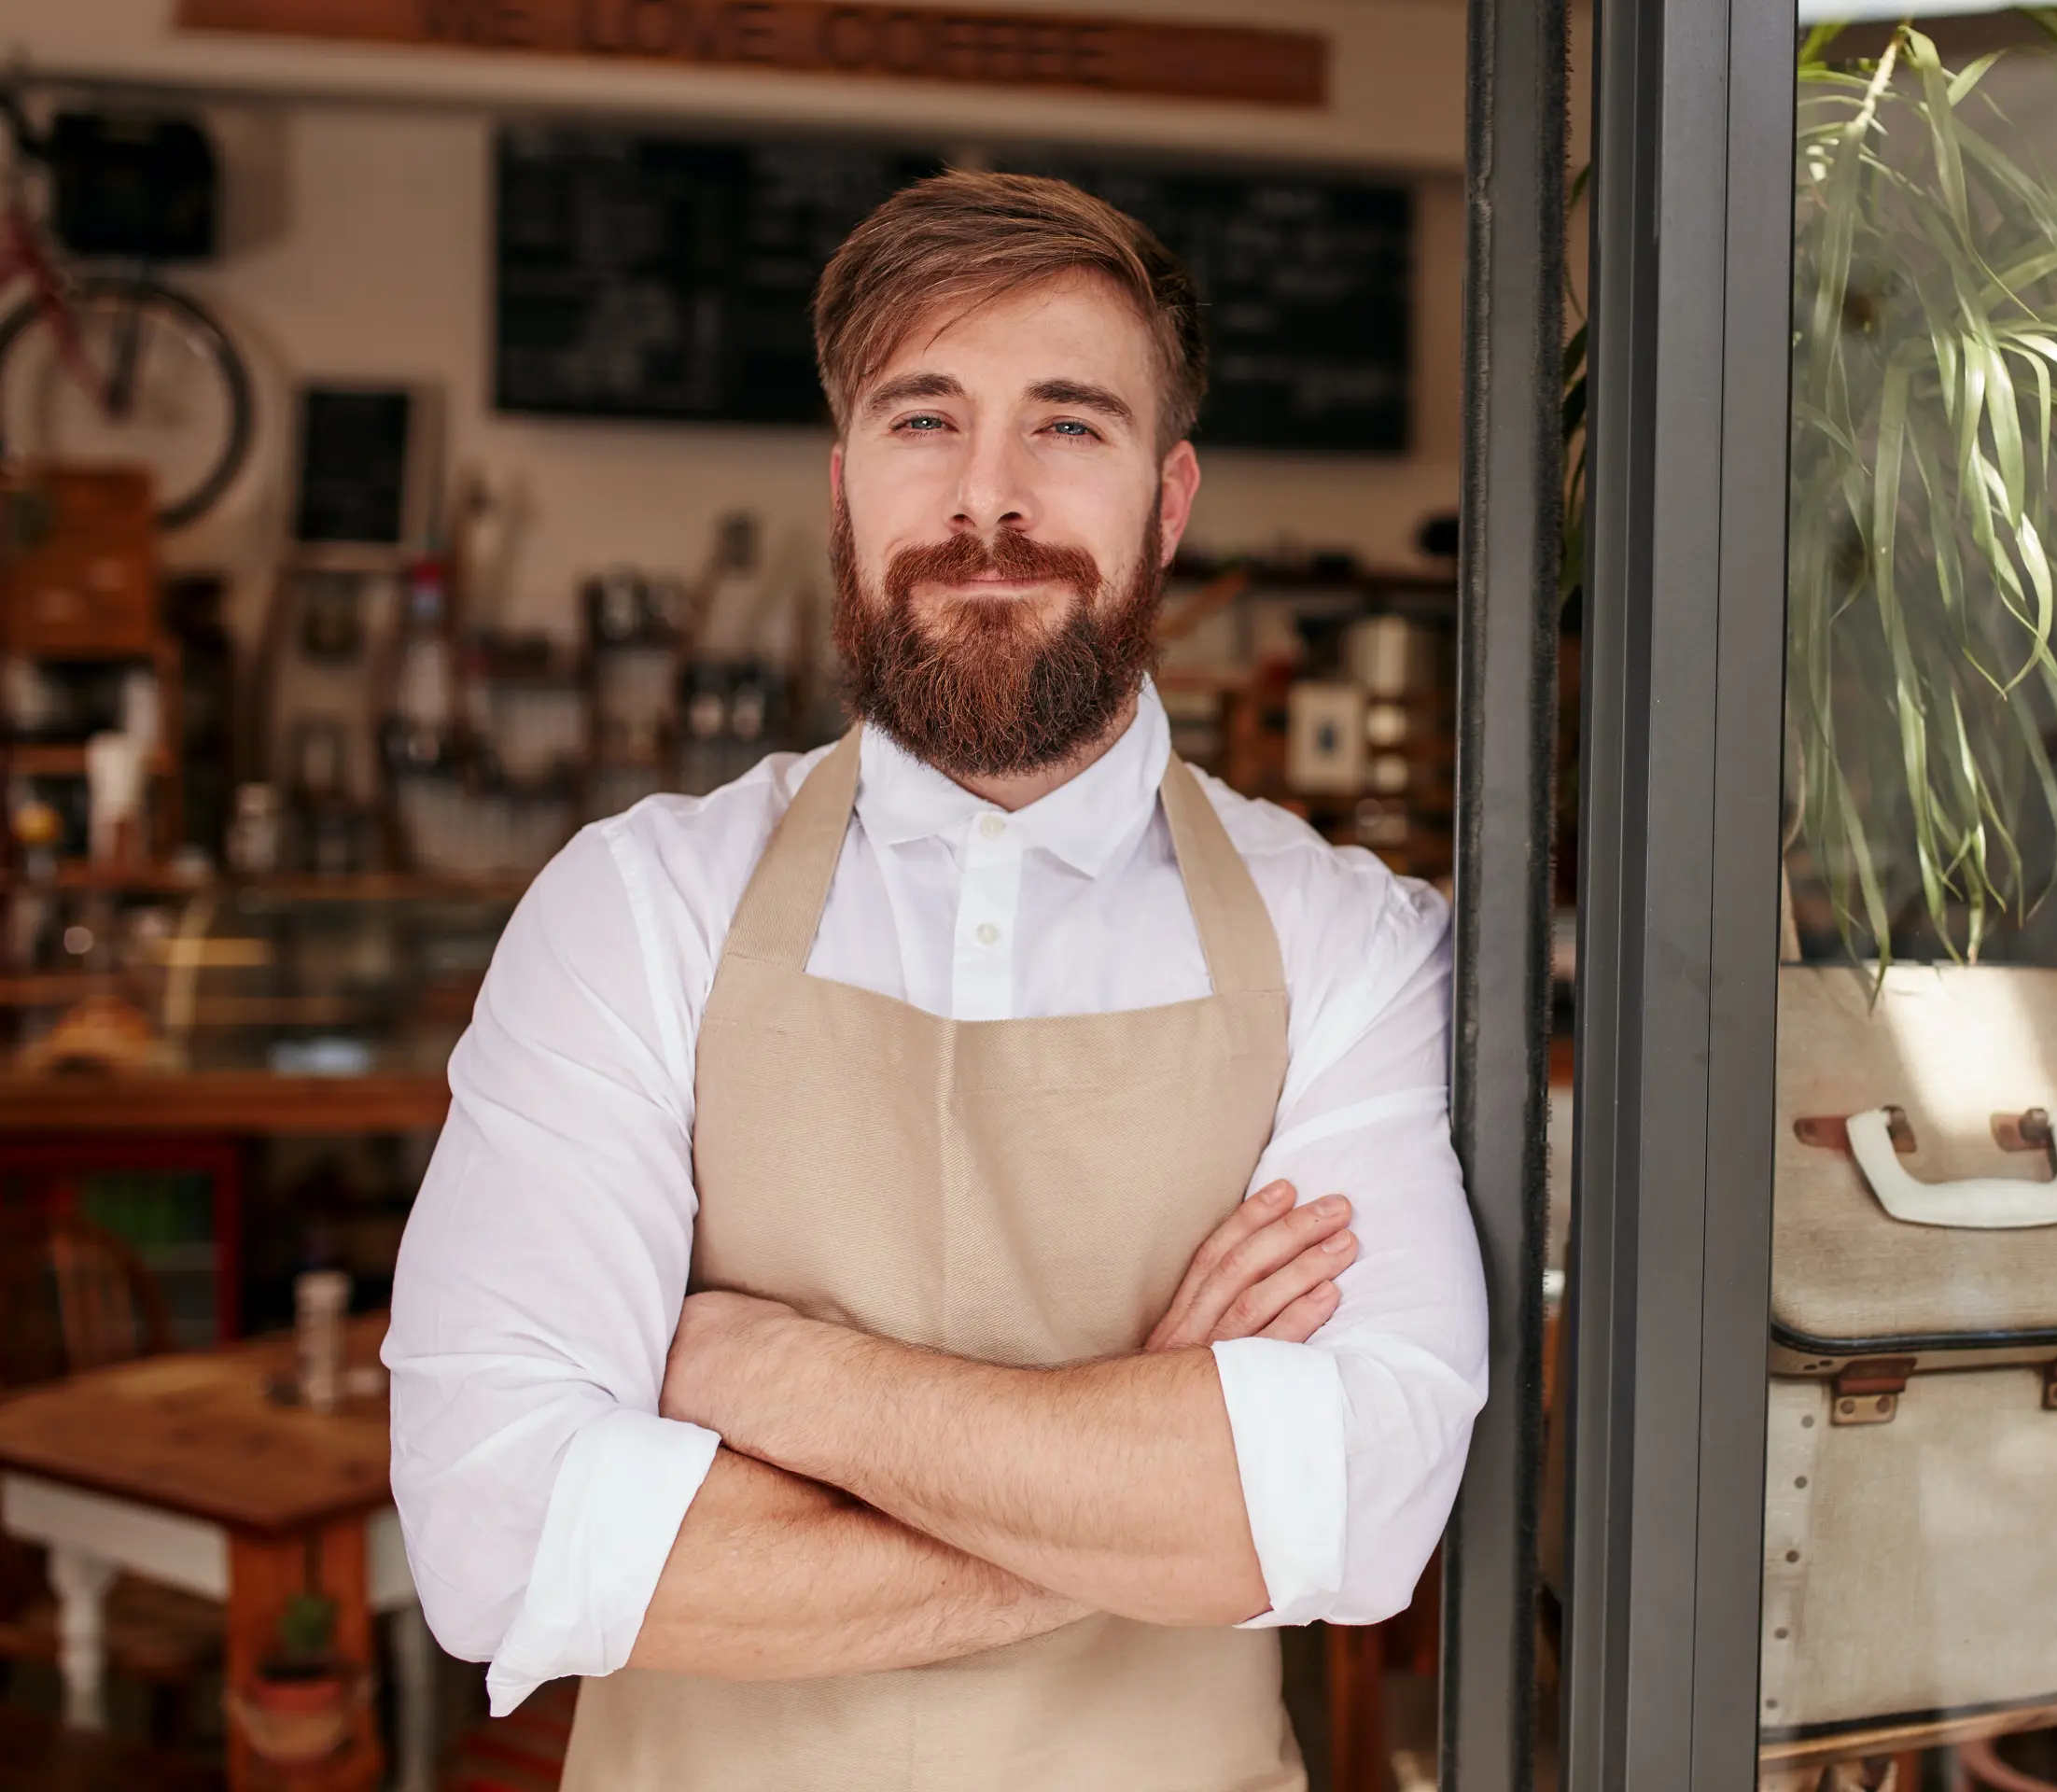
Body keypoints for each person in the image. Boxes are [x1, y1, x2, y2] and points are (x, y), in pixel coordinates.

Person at [385, 171, 1487, 1789]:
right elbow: (501, 1536)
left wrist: (765, 1372)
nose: (990, 501)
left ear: (1167, 501)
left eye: (1067, 425)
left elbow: (1365, 1513)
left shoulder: (1348, 941)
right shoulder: (634, 909)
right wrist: (1150, 1472)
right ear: (843, 488)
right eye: (924, 421)